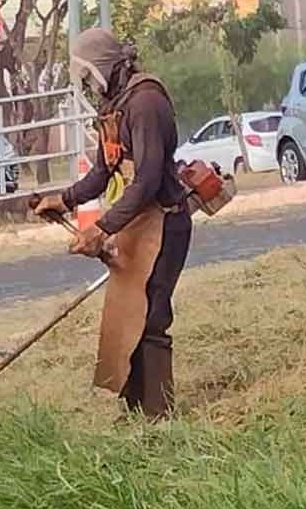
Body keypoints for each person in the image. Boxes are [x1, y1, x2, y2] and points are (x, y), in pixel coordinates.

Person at [33, 27, 192, 419]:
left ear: (104, 67)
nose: (87, 86)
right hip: (136, 221)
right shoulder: (113, 107)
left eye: (88, 76)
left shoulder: (147, 103)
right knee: (126, 313)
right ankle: (134, 408)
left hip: (165, 222)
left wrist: (101, 228)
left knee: (152, 317)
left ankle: (157, 416)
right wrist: (65, 200)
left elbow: (149, 179)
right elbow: (103, 171)